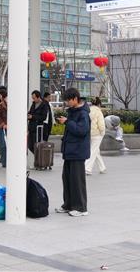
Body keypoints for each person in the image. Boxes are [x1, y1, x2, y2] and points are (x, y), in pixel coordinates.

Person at [56, 88, 90, 217]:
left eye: (68, 100)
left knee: (77, 181)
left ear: (75, 98)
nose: (67, 103)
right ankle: (68, 205)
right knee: (67, 179)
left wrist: (68, 122)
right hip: (70, 151)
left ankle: (81, 208)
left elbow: (82, 131)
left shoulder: (83, 113)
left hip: (78, 152)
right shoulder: (73, 111)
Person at [85, 97, 107, 175]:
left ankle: (102, 168)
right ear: (99, 104)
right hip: (97, 134)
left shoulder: (88, 110)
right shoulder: (98, 112)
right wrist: (103, 132)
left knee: (96, 151)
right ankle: (87, 168)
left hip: (88, 133)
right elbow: (101, 124)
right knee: (94, 151)